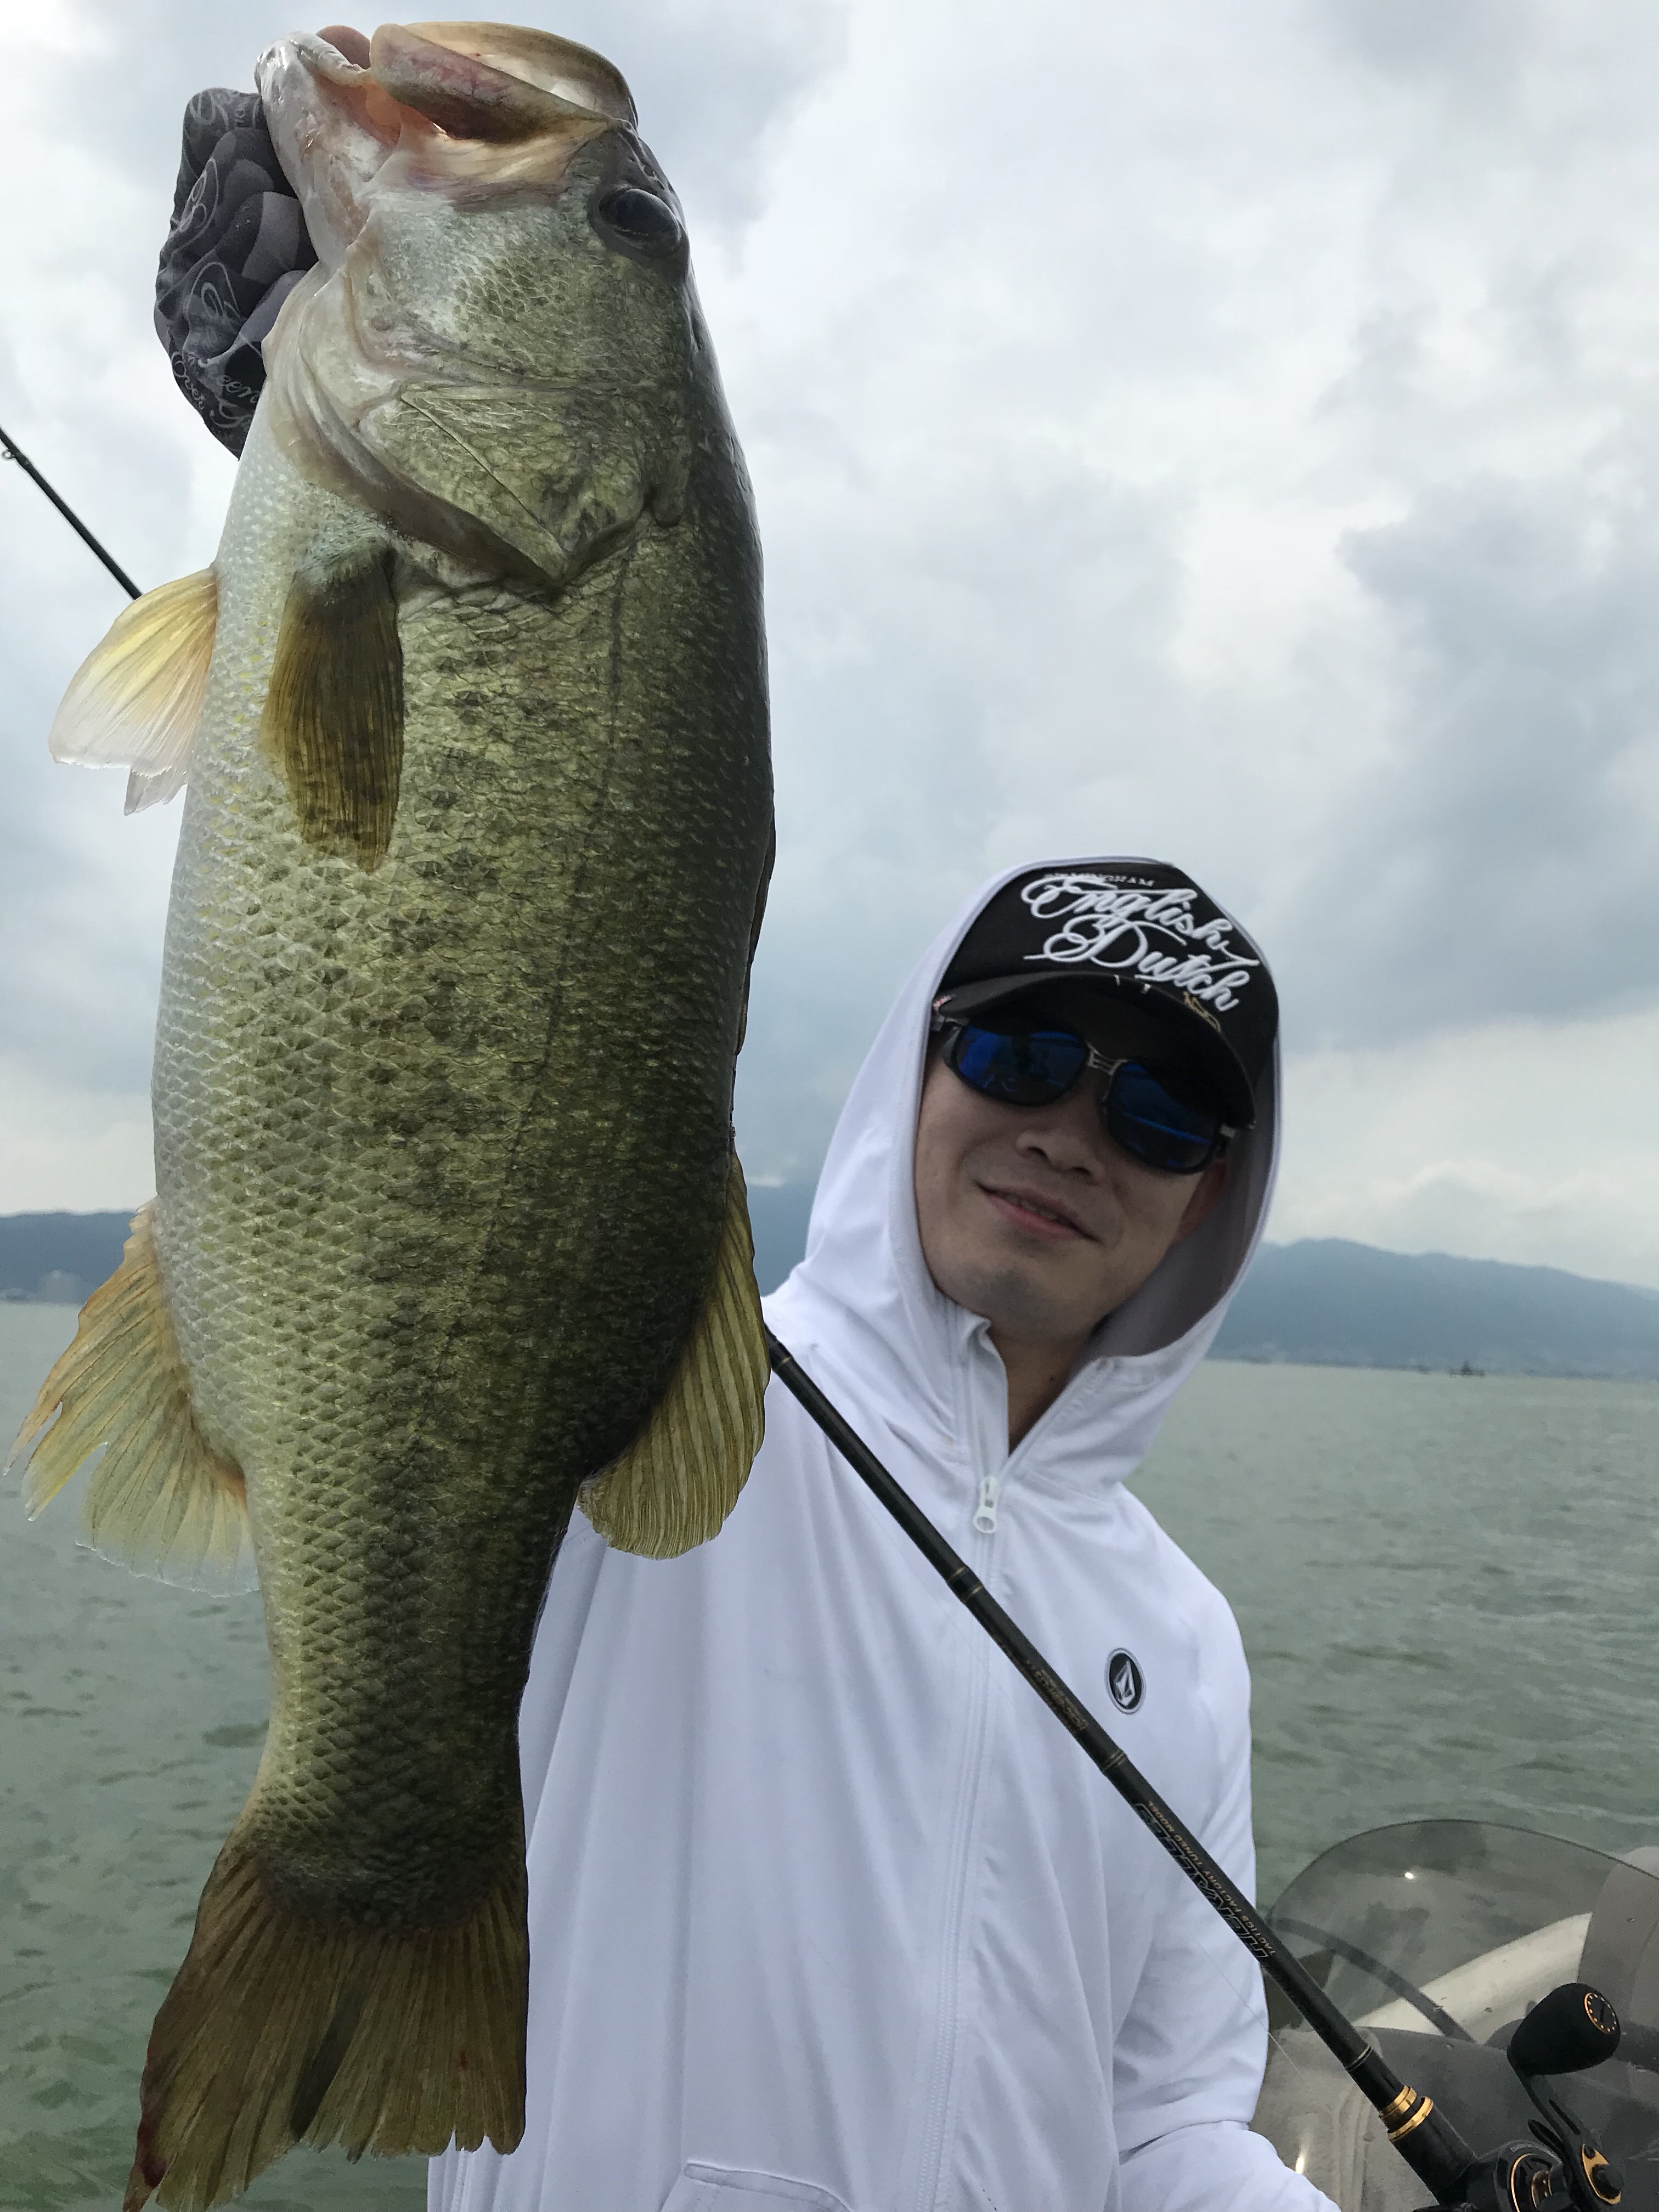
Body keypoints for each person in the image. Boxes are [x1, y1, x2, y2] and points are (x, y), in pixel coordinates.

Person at [154, 98, 1333, 2212]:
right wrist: (297, 456)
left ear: (1214, 1199)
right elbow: (460, 1047)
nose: (1073, 1127)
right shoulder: (703, 1429)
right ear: (915, 1069)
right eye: (1024, 1048)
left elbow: (1169, 2112)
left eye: (1165, 1107)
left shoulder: (1187, 1640)